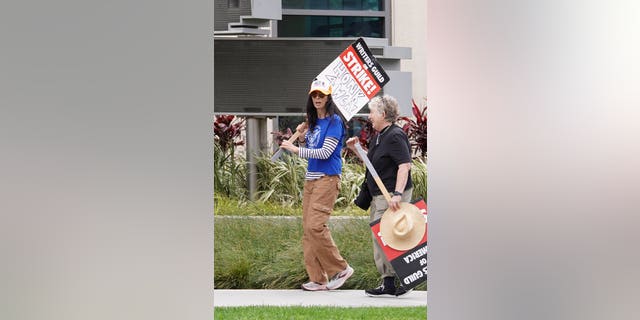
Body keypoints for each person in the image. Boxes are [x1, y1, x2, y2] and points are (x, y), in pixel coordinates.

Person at [280, 78, 354, 291]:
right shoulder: (312, 123)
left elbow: (325, 153)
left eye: (321, 95)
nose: (317, 98)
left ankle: (341, 269)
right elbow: (311, 151)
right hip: (311, 179)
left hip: (327, 178)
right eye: (314, 95)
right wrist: (302, 138)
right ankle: (318, 279)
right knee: (308, 230)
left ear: (328, 97)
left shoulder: (334, 122)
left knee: (315, 226)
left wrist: (295, 149)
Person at [346, 94, 414, 297]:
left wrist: (397, 194)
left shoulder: (395, 135)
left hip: (390, 194)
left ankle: (405, 278)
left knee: (392, 237)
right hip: (379, 195)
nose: (369, 116)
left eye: (372, 112)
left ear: (383, 114)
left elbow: (405, 165)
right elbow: (373, 164)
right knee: (380, 237)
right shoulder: (381, 135)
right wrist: (356, 149)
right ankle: (388, 283)